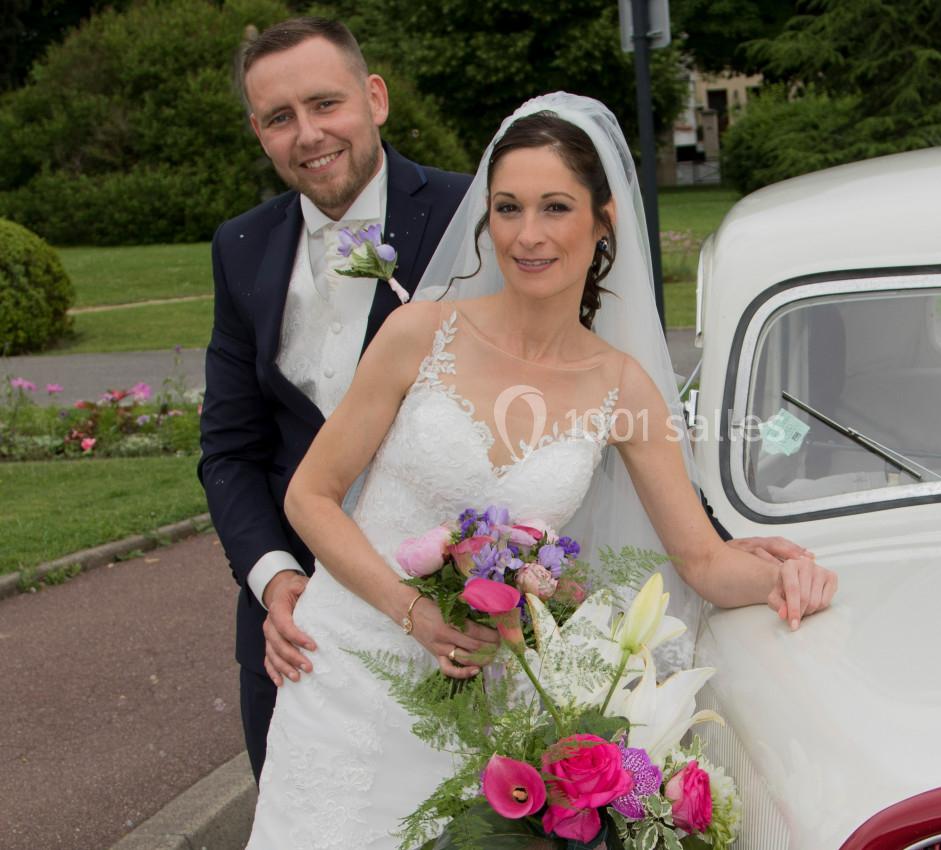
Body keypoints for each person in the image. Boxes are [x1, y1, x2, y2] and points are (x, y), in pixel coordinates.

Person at [244, 93, 838, 849]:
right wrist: (413, 613)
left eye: (556, 208)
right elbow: (311, 496)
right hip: (347, 679)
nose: (528, 235)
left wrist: (790, 578)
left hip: (481, 705)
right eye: (508, 208)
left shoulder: (622, 386)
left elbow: (703, 560)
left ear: (603, 220)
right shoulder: (418, 334)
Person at [196, 16, 471, 783]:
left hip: (451, 618)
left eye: (326, 104)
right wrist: (275, 580)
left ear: (374, 98)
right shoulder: (239, 247)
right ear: (259, 133)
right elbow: (230, 451)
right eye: (280, 118)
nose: (308, 133)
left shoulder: (475, 217)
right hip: (299, 634)